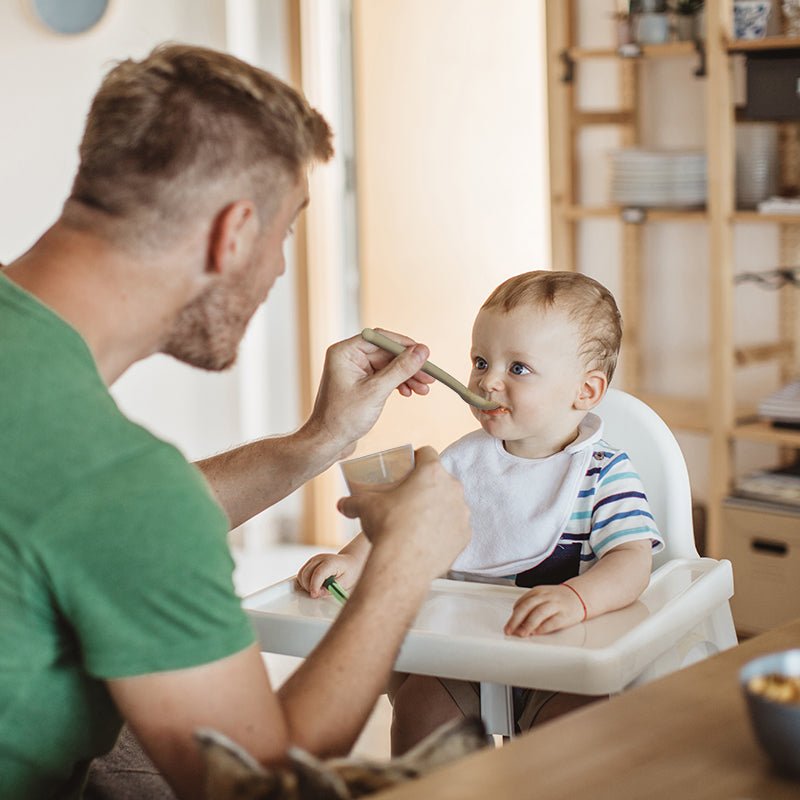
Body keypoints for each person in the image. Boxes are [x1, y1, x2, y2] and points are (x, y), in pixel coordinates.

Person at [0, 44, 471, 800]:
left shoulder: (78, 457)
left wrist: (318, 443)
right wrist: (403, 563)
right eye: (284, 234)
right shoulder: (118, 487)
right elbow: (258, 784)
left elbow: (88, 522)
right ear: (233, 233)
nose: (281, 269)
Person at [297, 270, 664, 753]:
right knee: (420, 710)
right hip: (461, 652)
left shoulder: (602, 473)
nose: (487, 380)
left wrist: (577, 599)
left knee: (573, 733)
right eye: (481, 360)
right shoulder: (464, 460)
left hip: (559, 656)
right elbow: (402, 521)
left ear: (586, 391)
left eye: (518, 369)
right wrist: (351, 558)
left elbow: (632, 559)